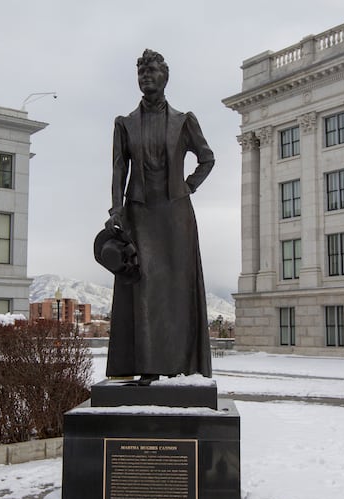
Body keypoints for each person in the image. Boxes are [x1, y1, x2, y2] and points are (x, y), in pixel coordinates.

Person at [104, 49, 214, 383]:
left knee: (178, 287)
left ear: (165, 76)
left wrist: (188, 186)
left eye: (151, 71)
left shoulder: (184, 121)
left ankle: (182, 363)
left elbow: (207, 158)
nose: (145, 77)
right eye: (141, 73)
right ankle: (148, 366)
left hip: (176, 214)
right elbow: (118, 170)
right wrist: (116, 210)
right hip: (139, 212)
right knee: (144, 287)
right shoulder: (125, 124)